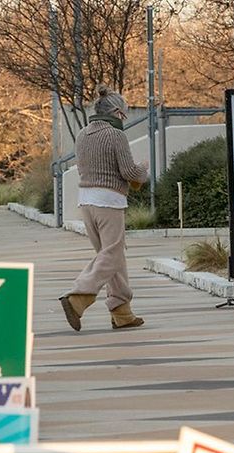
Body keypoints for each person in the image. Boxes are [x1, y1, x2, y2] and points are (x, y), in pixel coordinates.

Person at [59, 85, 149, 332]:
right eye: (125, 113)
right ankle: (78, 297)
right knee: (111, 255)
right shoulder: (114, 134)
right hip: (109, 201)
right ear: (118, 112)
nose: (125, 118)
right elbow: (128, 172)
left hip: (86, 201)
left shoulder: (83, 134)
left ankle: (122, 311)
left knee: (111, 256)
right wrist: (144, 170)